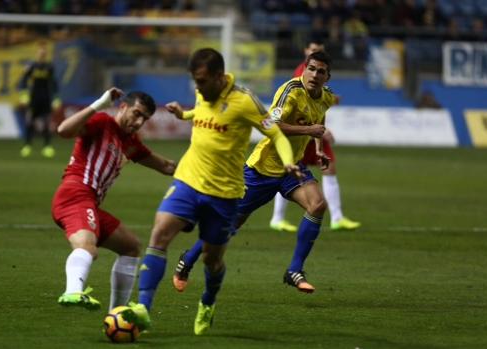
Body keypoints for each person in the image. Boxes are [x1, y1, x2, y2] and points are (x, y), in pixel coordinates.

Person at [121, 48, 300, 336]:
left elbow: (275, 133)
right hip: (189, 180)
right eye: (195, 81)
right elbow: (201, 112)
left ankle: (207, 301)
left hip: (225, 193)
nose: (198, 87)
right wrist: (184, 114)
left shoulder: (245, 101)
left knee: (211, 259)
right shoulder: (202, 92)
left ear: (219, 77)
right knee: (160, 234)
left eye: (202, 81)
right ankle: (144, 308)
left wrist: (288, 161)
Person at [173, 50, 338, 296]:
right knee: (228, 226)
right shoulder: (290, 91)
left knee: (317, 205)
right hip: (262, 169)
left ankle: (294, 270)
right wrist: (309, 131)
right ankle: (188, 259)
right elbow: (271, 125)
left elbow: (318, 122)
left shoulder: (326, 97)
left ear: (328, 77)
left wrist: (318, 148)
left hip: (292, 167)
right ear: (304, 68)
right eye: (311, 68)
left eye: (320, 71)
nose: (314, 74)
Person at [52, 88, 176, 311]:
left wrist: (204, 166)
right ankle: (72, 292)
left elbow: (167, 166)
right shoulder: (101, 122)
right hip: (75, 195)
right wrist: (99, 103)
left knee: (130, 247)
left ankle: (117, 313)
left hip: (89, 202)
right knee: (87, 247)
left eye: (144, 119)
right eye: (136, 114)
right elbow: (63, 130)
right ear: (123, 107)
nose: (139, 122)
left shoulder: (129, 142)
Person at [270, 39, 361, 233]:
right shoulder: (299, 78)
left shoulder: (322, 83)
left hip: (312, 132)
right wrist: (310, 129)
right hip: (297, 134)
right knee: (287, 172)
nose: (315, 74)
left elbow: (320, 106)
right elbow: (275, 123)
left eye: (319, 50)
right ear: (306, 53)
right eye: (313, 50)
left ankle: (336, 217)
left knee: (328, 169)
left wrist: (319, 140)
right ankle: (277, 218)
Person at [18, 42, 61, 158]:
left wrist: (56, 98)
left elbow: (54, 83)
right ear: (37, 54)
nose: (42, 54)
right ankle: (27, 145)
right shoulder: (32, 66)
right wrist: (24, 95)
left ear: (45, 54)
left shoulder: (49, 67)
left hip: (46, 98)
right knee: (29, 121)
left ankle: (47, 146)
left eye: (44, 52)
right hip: (34, 98)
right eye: (40, 52)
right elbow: (23, 81)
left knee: (47, 123)